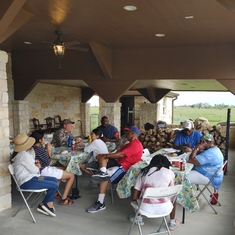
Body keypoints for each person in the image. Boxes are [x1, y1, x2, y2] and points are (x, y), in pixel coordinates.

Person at [86, 126, 143, 213]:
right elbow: (116, 153)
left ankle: (100, 202)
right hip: (118, 163)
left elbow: (121, 155)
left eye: (128, 132)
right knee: (103, 158)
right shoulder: (129, 143)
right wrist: (104, 154)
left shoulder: (136, 144)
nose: (126, 134)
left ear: (132, 134)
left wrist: (105, 155)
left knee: (104, 177)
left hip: (124, 168)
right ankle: (102, 172)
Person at [11, 133, 58, 217]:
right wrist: (38, 166)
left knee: (54, 180)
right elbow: (35, 171)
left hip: (33, 179)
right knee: (54, 185)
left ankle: (47, 204)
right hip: (28, 181)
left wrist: (36, 165)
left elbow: (33, 168)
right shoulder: (23, 155)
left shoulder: (23, 153)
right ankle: (45, 204)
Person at [128, 154, 180, 231]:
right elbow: (171, 193)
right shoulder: (170, 173)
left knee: (137, 190)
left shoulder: (143, 173)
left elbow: (135, 196)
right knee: (174, 197)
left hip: (145, 209)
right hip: (165, 209)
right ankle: (172, 222)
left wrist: (135, 200)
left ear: (152, 163)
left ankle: (138, 217)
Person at [31, 130, 75, 205]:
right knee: (71, 176)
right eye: (43, 138)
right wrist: (49, 150)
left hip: (37, 171)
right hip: (43, 172)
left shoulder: (32, 149)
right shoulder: (39, 149)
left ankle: (54, 192)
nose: (44, 140)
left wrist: (45, 150)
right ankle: (64, 198)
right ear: (40, 140)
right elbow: (49, 162)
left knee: (63, 169)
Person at [187, 133, 224, 204]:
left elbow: (190, 160)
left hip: (209, 177)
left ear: (204, 142)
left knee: (183, 177)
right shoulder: (214, 149)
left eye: (200, 142)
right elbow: (199, 155)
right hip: (213, 174)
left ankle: (190, 199)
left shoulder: (210, 154)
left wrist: (196, 148)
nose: (199, 143)